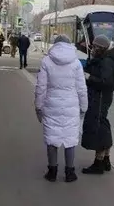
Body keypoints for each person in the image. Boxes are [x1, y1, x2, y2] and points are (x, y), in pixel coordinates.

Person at [35, 34, 88, 183]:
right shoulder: (76, 63)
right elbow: (81, 88)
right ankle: (70, 173)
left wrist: (38, 107)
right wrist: (83, 107)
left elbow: (41, 87)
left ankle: (52, 172)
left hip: (51, 105)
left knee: (52, 138)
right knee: (70, 140)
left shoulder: (46, 61)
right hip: (71, 106)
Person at [81, 34, 114, 174]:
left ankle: (98, 163)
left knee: (98, 127)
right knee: (103, 126)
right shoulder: (101, 59)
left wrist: (89, 77)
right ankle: (105, 160)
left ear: (101, 48)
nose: (92, 49)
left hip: (100, 98)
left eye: (95, 47)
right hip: (98, 98)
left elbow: (106, 82)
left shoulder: (107, 62)